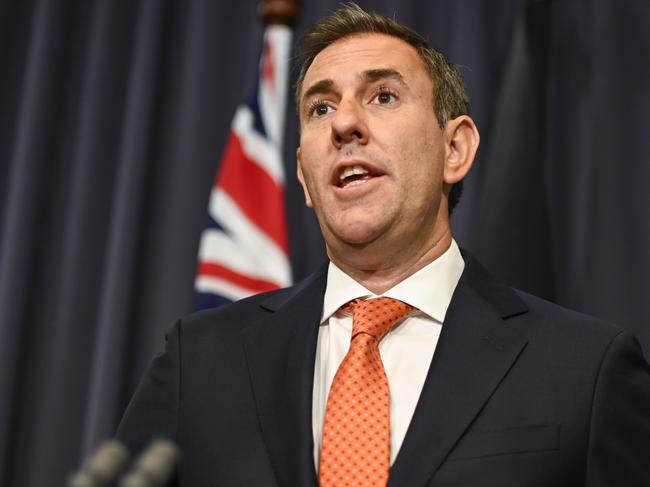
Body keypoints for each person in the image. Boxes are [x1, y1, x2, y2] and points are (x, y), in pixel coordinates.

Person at [116, 4, 650, 486]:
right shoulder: (201, 359)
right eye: (320, 108)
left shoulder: (586, 368)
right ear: (303, 175)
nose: (345, 122)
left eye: (383, 96)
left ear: (455, 149)